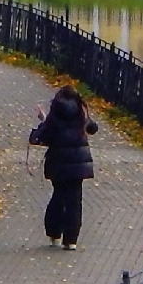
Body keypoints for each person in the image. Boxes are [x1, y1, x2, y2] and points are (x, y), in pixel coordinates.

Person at [28, 84, 98, 250]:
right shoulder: (80, 114)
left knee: (58, 196)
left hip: (58, 162)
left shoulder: (54, 117)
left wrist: (43, 120)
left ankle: (54, 234)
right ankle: (71, 240)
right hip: (79, 164)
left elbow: (39, 138)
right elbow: (93, 128)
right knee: (75, 200)